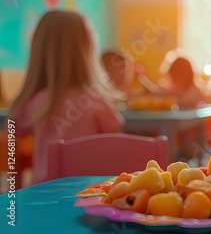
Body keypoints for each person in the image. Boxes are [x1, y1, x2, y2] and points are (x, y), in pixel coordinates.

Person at [9, 10, 124, 184]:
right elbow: (117, 147)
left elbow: (13, 136)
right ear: (87, 50)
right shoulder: (95, 100)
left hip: (42, 195)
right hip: (87, 194)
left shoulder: (33, 102)